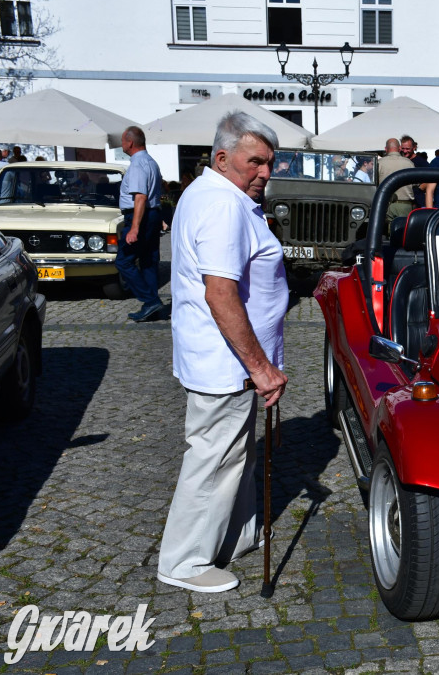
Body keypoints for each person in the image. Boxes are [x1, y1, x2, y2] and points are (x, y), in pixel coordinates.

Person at [157, 111, 288, 593]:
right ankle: (184, 561)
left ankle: (234, 535)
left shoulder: (214, 194)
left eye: (270, 163)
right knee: (213, 458)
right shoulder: (221, 205)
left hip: (227, 360)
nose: (265, 172)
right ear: (221, 157)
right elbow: (220, 293)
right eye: (255, 161)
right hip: (226, 361)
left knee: (234, 456)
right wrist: (261, 367)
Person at [116, 126, 165, 322]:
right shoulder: (151, 162)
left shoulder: (137, 164)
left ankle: (150, 300)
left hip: (140, 216)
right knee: (148, 261)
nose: (121, 145)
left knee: (123, 261)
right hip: (152, 214)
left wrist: (134, 228)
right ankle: (151, 307)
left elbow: (140, 197)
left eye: (122, 141)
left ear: (130, 142)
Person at [376, 138, 415, 223]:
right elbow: (416, 184)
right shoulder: (409, 163)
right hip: (405, 205)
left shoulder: (379, 163)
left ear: (386, 149)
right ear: (400, 148)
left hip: (384, 204)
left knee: (384, 232)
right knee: (403, 232)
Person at [400, 134, 428, 208]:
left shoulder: (421, 162)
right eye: (403, 148)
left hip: (418, 202)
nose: (405, 151)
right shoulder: (401, 161)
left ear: (414, 147)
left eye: (407, 148)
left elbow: (431, 179)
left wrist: (419, 188)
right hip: (404, 202)